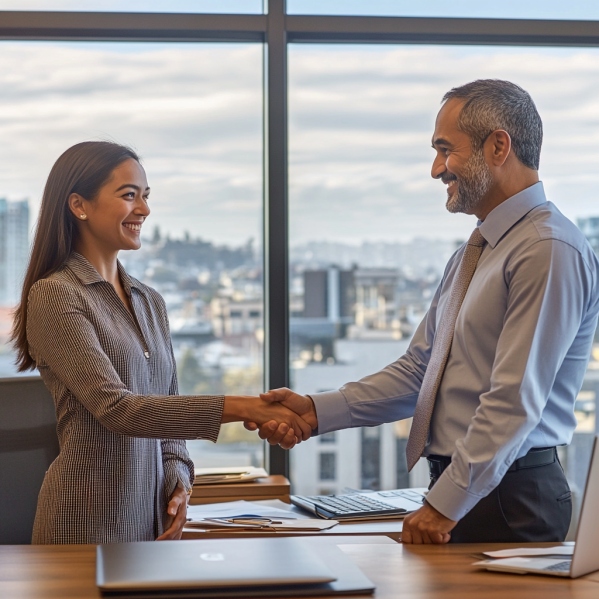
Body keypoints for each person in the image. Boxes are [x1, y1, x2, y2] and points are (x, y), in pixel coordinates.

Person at [252, 79, 599, 544]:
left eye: (445, 150)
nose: (437, 169)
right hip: (473, 486)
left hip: (508, 496)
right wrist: (316, 411)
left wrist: (445, 503)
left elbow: (514, 401)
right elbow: (421, 372)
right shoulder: (475, 252)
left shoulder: (545, 249)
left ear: (499, 146)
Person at [11, 141, 310, 544]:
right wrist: (245, 407)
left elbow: (167, 415)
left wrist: (179, 481)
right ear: (79, 205)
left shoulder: (150, 301)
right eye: (128, 195)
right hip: (83, 523)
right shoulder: (57, 295)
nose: (144, 210)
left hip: (150, 522)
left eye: (146, 196)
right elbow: (118, 410)